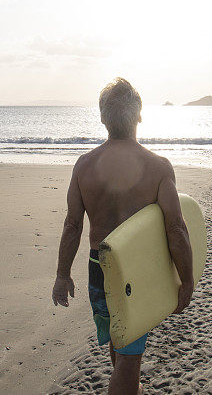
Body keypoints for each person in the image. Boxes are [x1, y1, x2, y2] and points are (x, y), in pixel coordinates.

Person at [52, 77, 194, 395]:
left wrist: (62, 275)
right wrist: (187, 279)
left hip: (98, 268)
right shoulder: (157, 167)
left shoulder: (84, 166)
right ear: (140, 115)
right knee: (129, 363)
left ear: (103, 118)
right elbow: (176, 228)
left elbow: (72, 225)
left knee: (120, 344)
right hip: (135, 271)